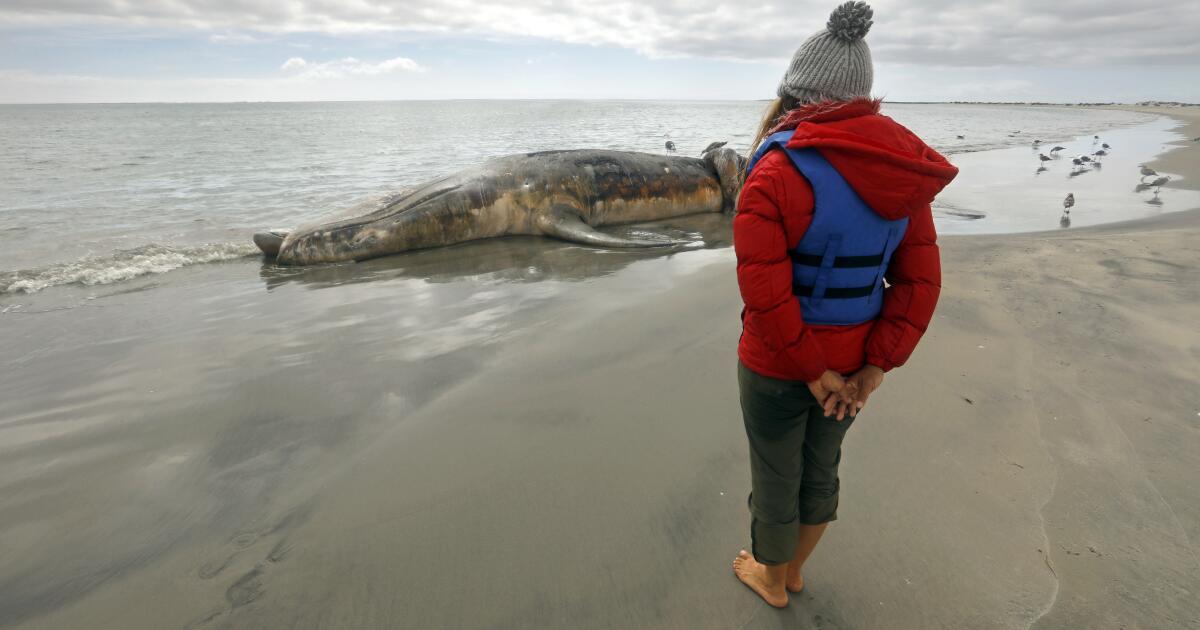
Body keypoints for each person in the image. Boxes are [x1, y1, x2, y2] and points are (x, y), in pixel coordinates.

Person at [730, 1, 959, 608]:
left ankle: (771, 578)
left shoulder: (775, 170)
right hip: (855, 367)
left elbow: (764, 291)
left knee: (776, 475)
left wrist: (811, 370)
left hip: (781, 364)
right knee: (820, 469)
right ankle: (795, 570)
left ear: (793, 93)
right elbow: (920, 283)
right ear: (863, 96)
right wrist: (874, 367)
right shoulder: (900, 172)